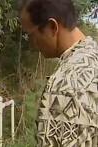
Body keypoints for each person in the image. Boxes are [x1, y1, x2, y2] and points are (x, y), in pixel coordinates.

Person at [19, 0, 98, 146]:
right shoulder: (94, 58)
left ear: (52, 27)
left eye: (30, 35)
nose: (31, 43)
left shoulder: (65, 86)